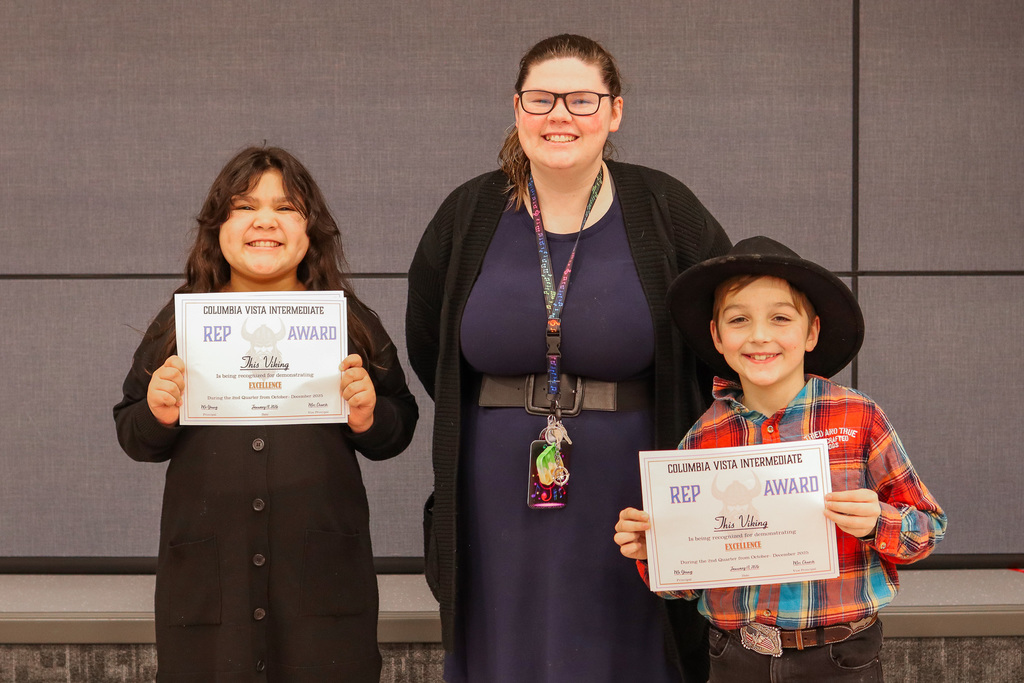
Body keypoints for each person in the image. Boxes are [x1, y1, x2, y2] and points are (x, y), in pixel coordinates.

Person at [406, 34, 731, 682]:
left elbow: (722, 334)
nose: (560, 115)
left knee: (626, 649)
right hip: (495, 486)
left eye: (582, 99)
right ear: (517, 108)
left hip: (630, 492)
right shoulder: (468, 213)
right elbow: (429, 344)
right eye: (542, 98)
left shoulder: (666, 209)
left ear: (614, 112)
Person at [113, 146, 418, 681]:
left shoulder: (347, 319)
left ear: (310, 231)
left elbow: (401, 425)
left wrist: (369, 415)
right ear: (218, 228)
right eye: (244, 206)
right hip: (210, 590)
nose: (265, 221)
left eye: (286, 208)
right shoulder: (181, 320)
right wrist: (158, 412)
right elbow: (132, 433)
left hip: (320, 586)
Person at [614, 236, 947, 682]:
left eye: (780, 318)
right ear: (716, 336)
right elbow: (685, 584)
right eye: (738, 320)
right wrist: (653, 553)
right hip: (734, 657)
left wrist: (877, 522)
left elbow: (927, 529)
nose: (759, 335)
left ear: (811, 332)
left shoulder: (859, 417)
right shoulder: (701, 440)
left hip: (840, 657)